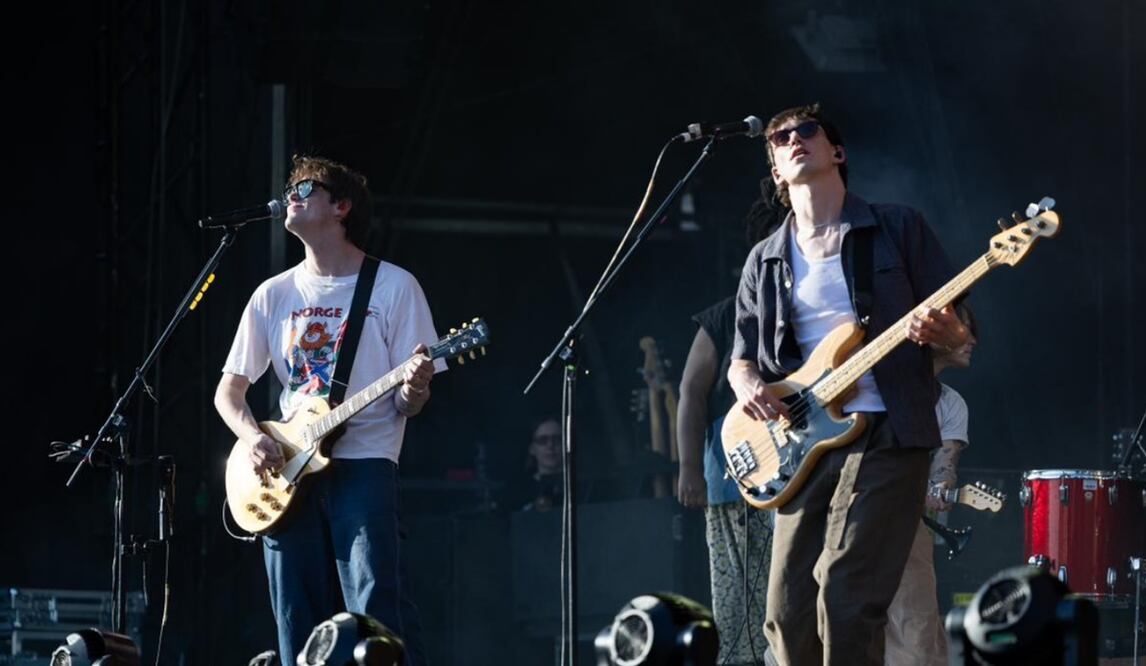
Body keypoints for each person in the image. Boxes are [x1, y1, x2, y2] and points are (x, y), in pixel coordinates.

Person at [727, 103, 972, 665]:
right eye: (781, 139)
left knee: (845, 597)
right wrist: (747, 386)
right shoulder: (763, 261)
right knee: (786, 612)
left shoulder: (897, 227)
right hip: (802, 442)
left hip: (887, 428)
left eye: (806, 131)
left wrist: (945, 329)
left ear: (836, 152)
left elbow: (960, 334)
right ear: (776, 173)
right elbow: (742, 359)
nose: (794, 140)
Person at [213, 155, 443, 665]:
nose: (291, 196)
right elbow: (228, 393)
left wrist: (417, 386)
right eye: (290, 189)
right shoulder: (273, 295)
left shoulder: (393, 287)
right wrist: (255, 440)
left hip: (365, 463)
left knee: (375, 606)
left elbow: (409, 404)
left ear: (341, 206)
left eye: (306, 188)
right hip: (287, 467)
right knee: (295, 612)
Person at [676, 178, 788, 666]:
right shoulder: (724, 316)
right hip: (734, 471)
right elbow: (691, 392)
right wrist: (688, 469)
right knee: (738, 600)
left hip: (801, 465)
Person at [885, 304, 978, 666]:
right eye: (964, 330)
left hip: (903, 520)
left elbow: (945, 466)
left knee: (916, 623)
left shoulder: (951, 403)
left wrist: (941, 488)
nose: (973, 340)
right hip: (847, 509)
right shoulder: (884, 381)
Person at [503, 416, 564, 511]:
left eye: (557, 439)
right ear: (532, 448)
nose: (550, 445)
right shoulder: (517, 490)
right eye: (543, 440)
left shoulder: (581, 485)